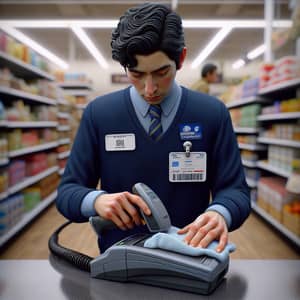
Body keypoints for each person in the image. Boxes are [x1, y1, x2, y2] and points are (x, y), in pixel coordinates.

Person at [56, 3, 250, 254]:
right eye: (136, 74)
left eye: (161, 73)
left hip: (191, 261)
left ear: (180, 58)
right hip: (119, 264)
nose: (150, 89)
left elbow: (236, 191)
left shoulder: (212, 114)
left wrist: (220, 213)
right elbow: (67, 192)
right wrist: (96, 201)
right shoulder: (99, 114)